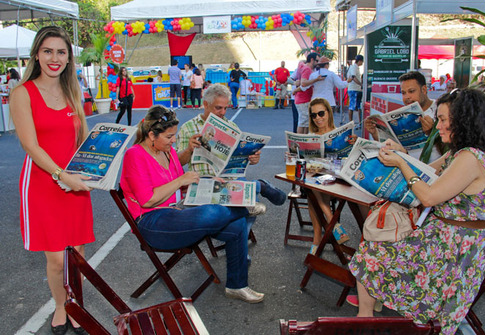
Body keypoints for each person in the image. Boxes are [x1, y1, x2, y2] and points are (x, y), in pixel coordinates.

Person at [348, 88, 485, 335]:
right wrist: (402, 155)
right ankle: (365, 317)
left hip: (457, 250)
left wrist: (400, 163)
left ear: (462, 120)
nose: (438, 126)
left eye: (443, 119)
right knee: (370, 250)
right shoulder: (461, 154)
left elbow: (428, 195)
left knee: (371, 254)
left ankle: (366, 318)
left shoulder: (470, 158)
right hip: (447, 238)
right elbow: (425, 174)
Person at [120, 105, 265, 304]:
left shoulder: (167, 151)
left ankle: (237, 286)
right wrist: (181, 181)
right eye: (169, 136)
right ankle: (242, 208)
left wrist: (209, 181)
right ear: (152, 135)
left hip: (178, 210)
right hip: (153, 222)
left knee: (236, 226)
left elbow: (184, 181)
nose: (173, 141)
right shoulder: (134, 155)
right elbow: (148, 199)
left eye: (174, 135)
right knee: (213, 214)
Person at [10, 26, 94, 335]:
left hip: (74, 182)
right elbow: (30, 146)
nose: (54, 58)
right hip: (44, 184)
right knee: (57, 259)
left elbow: (82, 139)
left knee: (77, 256)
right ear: (36, 54)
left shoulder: (73, 91)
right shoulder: (23, 93)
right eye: (48, 51)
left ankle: (75, 306)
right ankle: (61, 305)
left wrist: (96, 167)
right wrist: (62, 175)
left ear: (70, 58)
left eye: (61, 52)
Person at [176, 84, 286, 233]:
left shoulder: (231, 126)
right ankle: (260, 186)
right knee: (248, 200)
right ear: (206, 104)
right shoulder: (188, 128)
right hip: (203, 181)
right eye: (218, 108)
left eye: (225, 108)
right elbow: (178, 163)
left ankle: (240, 243)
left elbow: (242, 158)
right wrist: (189, 149)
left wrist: (252, 158)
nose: (223, 112)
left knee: (248, 198)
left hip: (230, 178)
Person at [306, 98, 351, 254]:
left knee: (312, 189)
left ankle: (317, 238)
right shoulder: (312, 134)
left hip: (336, 177)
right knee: (312, 182)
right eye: (314, 115)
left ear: (328, 113)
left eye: (321, 113)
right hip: (318, 178)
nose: (318, 118)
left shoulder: (339, 133)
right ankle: (331, 219)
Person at [364, 70, 440, 162]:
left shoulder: (440, 109)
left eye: (411, 91)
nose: (407, 97)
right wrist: (374, 133)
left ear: (424, 90)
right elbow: (390, 145)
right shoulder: (402, 115)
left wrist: (433, 133)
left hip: (433, 169)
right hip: (405, 165)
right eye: (403, 93)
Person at [295, 52, 322, 134]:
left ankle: (304, 141)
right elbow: (303, 83)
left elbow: (299, 82)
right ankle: (299, 141)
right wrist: (316, 80)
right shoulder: (307, 69)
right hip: (303, 99)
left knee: (306, 123)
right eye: (317, 61)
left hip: (303, 99)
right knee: (303, 122)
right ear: (312, 60)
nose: (318, 63)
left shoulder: (303, 67)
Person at [347, 54, 364, 124]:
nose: (362, 63)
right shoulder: (354, 68)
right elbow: (353, 77)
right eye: (362, 62)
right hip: (354, 89)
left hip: (356, 89)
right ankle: (351, 123)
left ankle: (360, 122)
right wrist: (361, 84)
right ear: (359, 61)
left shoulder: (355, 68)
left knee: (358, 106)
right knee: (352, 106)